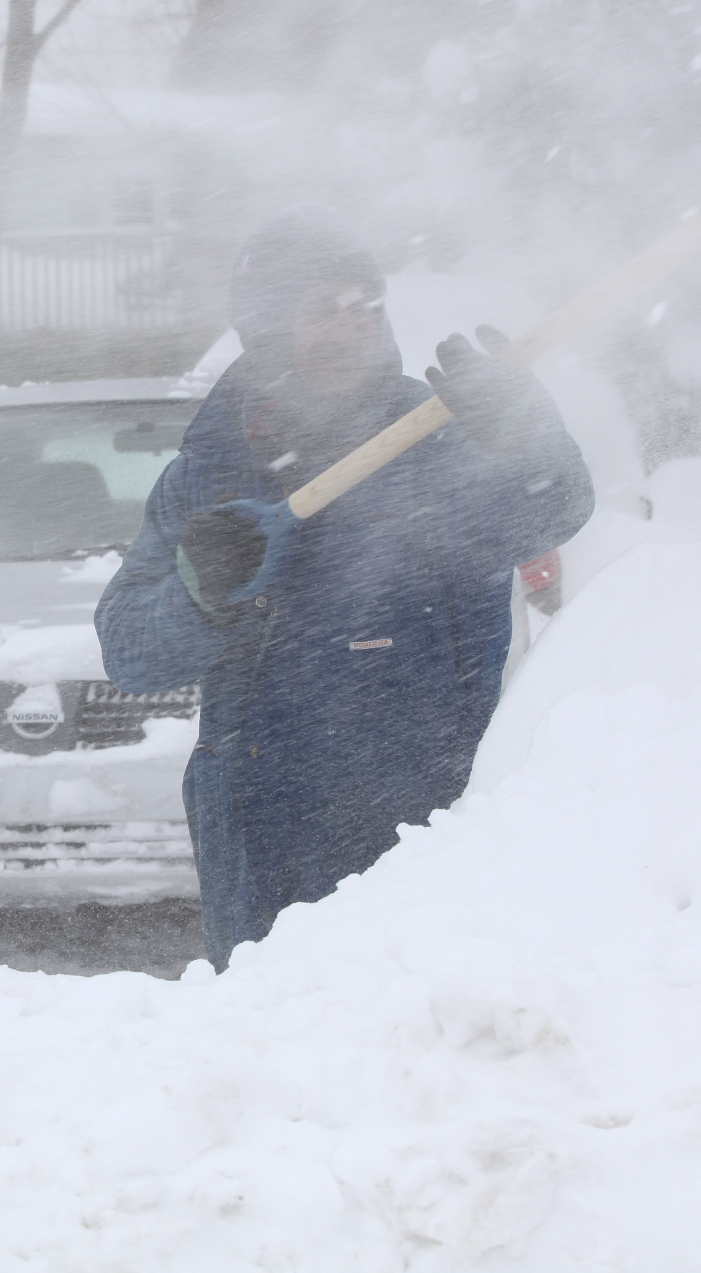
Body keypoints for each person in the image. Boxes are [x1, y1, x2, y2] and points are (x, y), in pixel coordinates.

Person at [96, 204, 594, 968]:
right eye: (320, 309)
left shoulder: (438, 443)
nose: (352, 325)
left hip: (441, 815)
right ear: (265, 326)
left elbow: (553, 507)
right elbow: (130, 650)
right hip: (268, 833)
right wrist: (202, 591)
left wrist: (526, 432)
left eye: (364, 305)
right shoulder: (207, 479)